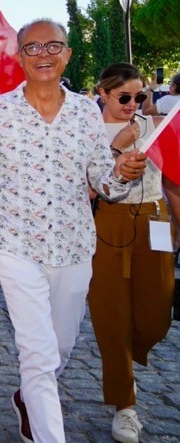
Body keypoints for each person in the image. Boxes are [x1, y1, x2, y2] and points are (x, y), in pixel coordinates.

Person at [0, 20, 148, 443]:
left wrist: (122, 173)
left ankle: (28, 397)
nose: (43, 54)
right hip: (15, 247)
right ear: (19, 57)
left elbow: (102, 179)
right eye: (32, 47)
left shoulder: (84, 111)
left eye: (53, 46)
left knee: (59, 348)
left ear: (67, 54)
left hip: (76, 247)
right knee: (39, 354)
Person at [89, 63, 179, 443]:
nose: (133, 104)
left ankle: (130, 355)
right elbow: (84, 189)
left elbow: (173, 181)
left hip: (154, 221)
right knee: (112, 318)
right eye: (124, 96)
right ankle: (125, 405)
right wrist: (117, 145)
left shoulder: (154, 126)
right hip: (107, 224)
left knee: (157, 312)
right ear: (103, 93)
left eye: (140, 96)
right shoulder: (86, 132)